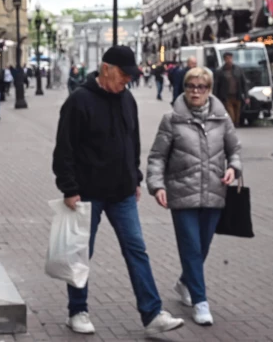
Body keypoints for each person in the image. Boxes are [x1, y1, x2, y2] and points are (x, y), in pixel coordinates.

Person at [52, 45, 184, 337]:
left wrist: (134, 178)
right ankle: (78, 311)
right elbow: (65, 150)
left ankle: (152, 314)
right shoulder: (79, 101)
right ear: (106, 68)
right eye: (124, 74)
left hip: (122, 192)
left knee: (137, 250)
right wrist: (69, 188)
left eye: (130, 76)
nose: (127, 80)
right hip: (87, 194)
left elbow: (132, 142)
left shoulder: (127, 99)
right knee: (80, 253)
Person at [146, 67, 242, 326]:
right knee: (191, 246)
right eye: (191, 87)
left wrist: (233, 168)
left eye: (201, 87)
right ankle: (201, 302)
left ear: (209, 89)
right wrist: (157, 185)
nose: (195, 91)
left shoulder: (222, 118)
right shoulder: (171, 119)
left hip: (214, 192)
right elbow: (157, 156)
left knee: (203, 247)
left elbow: (234, 150)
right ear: (184, 88)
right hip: (181, 193)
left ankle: (185, 283)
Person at [213, 52, 249, 127]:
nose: (229, 60)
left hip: (237, 96)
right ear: (224, 60)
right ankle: (231, 127)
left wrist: (246, 96)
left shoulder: (238, 70)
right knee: (231, 115)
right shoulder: (220, 71)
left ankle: (235, 125)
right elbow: (216, 85)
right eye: (227, 58)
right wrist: (215, 98)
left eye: (230, 58)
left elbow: (244, 83)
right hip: (227, 97)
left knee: (237, 116)